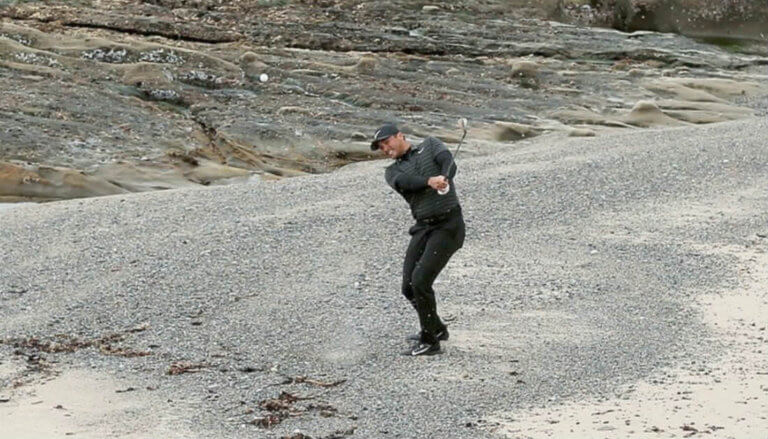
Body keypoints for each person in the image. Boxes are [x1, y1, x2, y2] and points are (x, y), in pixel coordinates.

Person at [371, 123, 466, 356]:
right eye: (380, 146)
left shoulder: (431, 145)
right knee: (408, 287)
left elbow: (448, 162)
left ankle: (430, 341)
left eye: (386, 142)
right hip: (423, 228)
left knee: (421, 282)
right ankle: (437, 328)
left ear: (400, 135)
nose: (384, 148)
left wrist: (445, 176)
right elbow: (408, 183)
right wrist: (430, 182)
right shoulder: (392, 172)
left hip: (449, 226)